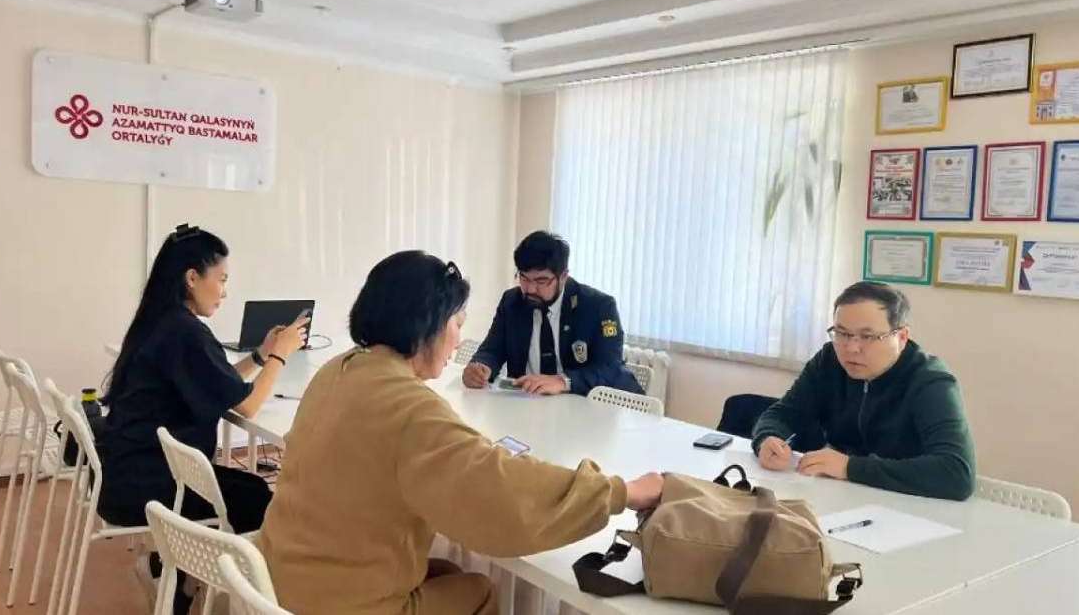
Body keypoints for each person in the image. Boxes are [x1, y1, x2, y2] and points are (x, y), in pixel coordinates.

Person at [258, 251, 664, 615]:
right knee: (479, 590)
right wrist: (620, 492)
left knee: (449, 572)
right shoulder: (411, 410)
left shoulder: (338, 369)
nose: (457, 339)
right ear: (428, 325)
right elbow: (502, 494)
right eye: (456, 323)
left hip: (276, 575)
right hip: (339, 602)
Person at [99, 223, 308, 614]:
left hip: (130, 470)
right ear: (192, 278)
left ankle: (178, 576)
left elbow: (223, 386)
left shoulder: (162, 322)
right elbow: (245, 407)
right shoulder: (185, 333)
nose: (225, 292)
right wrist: (280, 355)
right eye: (222, 280)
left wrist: (261, 356)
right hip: (150, 484)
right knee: (259, 499)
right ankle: (239, 595)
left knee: (248, 488)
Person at [751, 282, 975, 501]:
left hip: (909, 506)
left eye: (868, 337)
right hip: (841, 497)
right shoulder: (828, 361)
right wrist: (768, 439)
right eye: (842, 333)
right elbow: (782, 414)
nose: (851, 348)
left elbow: (957, 473)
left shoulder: (930, 381)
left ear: (902, 337)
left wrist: (850, 467)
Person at [462, 231, 643, 396]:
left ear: (564, 276)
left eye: (541, 280)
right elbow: (492, 349)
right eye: (524, 278)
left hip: (596, 408)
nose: (530, 288)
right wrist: (480, 367)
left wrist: (563, 381)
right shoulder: (512, 301)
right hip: (533, 407)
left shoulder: (598, 306)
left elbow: (609, 368)